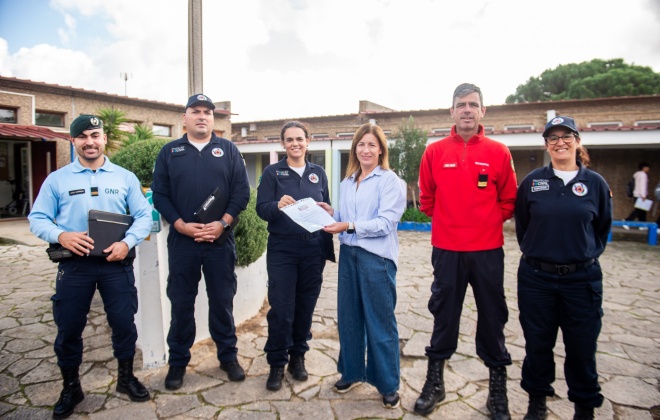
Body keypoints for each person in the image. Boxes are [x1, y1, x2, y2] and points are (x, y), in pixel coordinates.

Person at [28, 114, 153, 419]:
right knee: (69, 327)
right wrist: (61, 234)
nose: (90, 141)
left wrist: (128, 242)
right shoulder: (57, 179)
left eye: (95, 135)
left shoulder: (124, 177)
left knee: (124, 324)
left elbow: (143, 216)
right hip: (75, 267)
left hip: (116, 264)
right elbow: (37, 218)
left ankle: (126, 379)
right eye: (82, 136)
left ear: (104, 138)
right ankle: (71, 387)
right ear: (73, 141)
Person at [416, 83, 518, 418]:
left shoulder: (499, 152)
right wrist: (451, 222)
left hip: (488, 252)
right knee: (444, 316)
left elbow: (508, 201)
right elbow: (427, 199)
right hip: (446, 250)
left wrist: (484, 224)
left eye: (473, 104)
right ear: (452, 111)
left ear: (483, 111)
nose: (467, 110)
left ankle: (497, 391)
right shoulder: (435, 152)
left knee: (492, 317)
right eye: (461, 104)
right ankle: (435, 383)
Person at [515, 116, 612, 420]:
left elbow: (601, 228)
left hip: (581, 280)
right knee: (538, 344)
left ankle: (584, 408)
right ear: (546, 144)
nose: (560, 142)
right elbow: (523, 227)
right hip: (536, 279)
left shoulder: (595, 184)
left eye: (566, 136)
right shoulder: (533, 182)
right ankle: (537, 401)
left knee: (582, 348)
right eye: (553, 138)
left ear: (577, 141)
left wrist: (579, 253)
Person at [151, 94, 251, 390]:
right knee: (181, 303)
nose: (202, 116)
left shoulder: (229, 150)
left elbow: (241, 193)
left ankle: (228, 357)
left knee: (222, 301)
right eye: (196, 111)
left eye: (207, 112)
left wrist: (222, 224)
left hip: (220, 242)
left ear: (212, 118)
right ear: (185, 117)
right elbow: (160, 195)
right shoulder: (170, 152)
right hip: (183, 243)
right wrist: (180, 225)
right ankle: (178, 363)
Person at [319, 123, 406, 409]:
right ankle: (352, 372)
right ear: (354, 148)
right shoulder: (347, 182)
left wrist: (349, 224)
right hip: (349, 257)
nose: (366, 150)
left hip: (376, 259)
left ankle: (388, 384)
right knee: (349, 319)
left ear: (381, 149)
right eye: (361, 144)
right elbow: (346, 216)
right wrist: (332, 213)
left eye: (372, 145)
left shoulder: (390, 181)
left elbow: (385, 223)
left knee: (380, 323)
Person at [256, 121, 335, 391]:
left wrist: (329, 210)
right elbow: (261, 209)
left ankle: (297, 358)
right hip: (283, 249)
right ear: (283, 145)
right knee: (281, 308)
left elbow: (326, 205)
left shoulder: (318, 173)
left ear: (308, 141)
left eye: (299, 139)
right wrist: (276, 205)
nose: (295, 144)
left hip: (313, 249)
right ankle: (277, 363)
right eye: (289, 140)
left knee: (305, 306)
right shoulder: (272, 173)